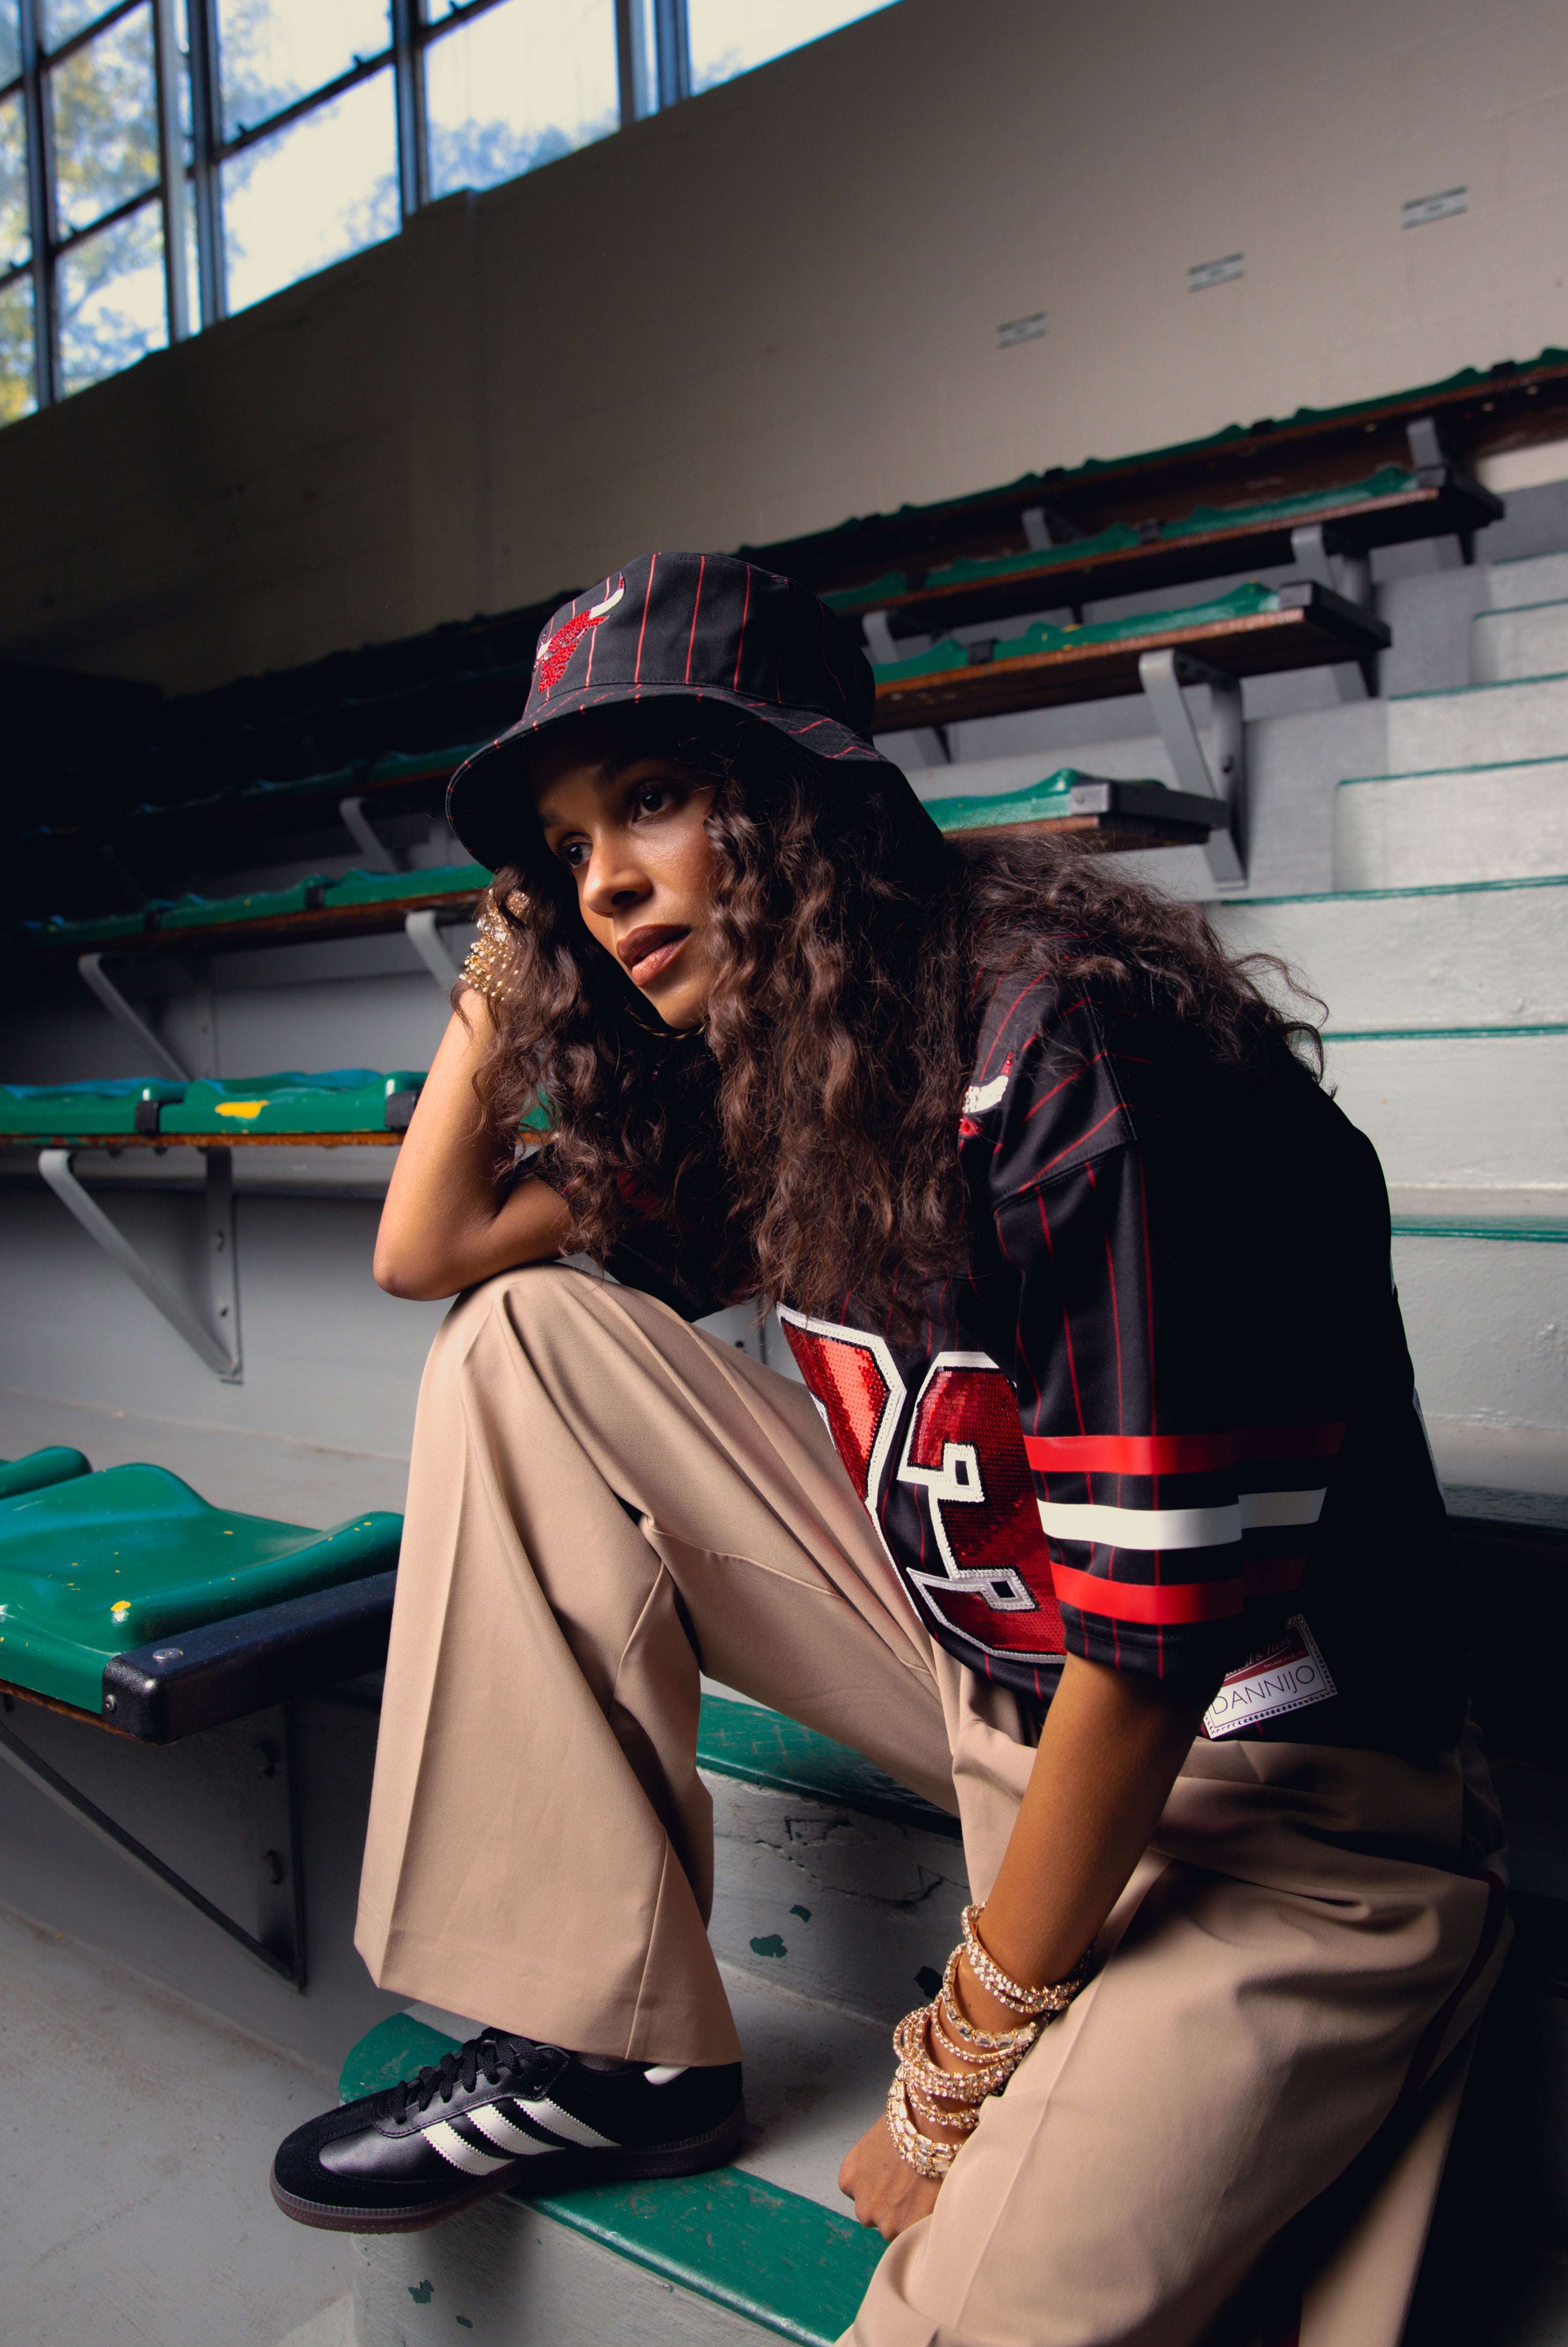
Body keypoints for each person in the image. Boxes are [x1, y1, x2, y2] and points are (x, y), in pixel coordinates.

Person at [270, 553, 1507, 2347]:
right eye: (564, 845)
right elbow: (430, 1249)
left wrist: (956, 2055)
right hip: (991, 1686)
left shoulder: (1079, 1048)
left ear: (797, 788)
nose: (606, 877)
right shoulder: (795, 1051)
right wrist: (518, 925)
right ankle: (609, 2048)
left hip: (1272, 1807)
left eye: (654, 799)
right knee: (524, 1341)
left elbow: (1155, 1663)